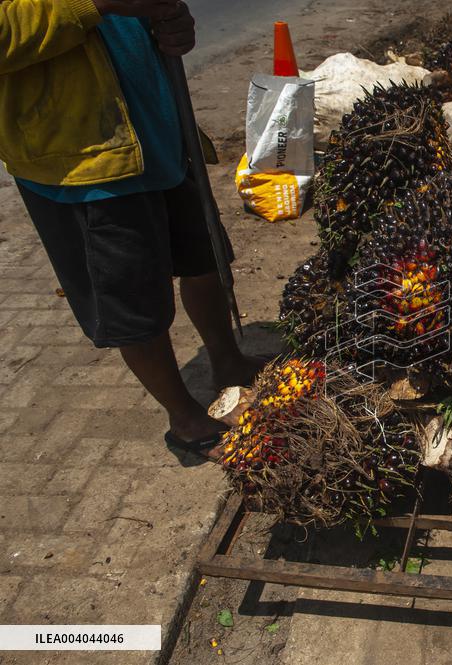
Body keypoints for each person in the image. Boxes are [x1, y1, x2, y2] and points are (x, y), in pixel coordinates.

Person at [0, 0, 262, 459]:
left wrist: (170, 25)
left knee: (205, 260)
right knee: (134, 301)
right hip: (85, 158)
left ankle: (228, 361)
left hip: (159, 129)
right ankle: (184, 419)